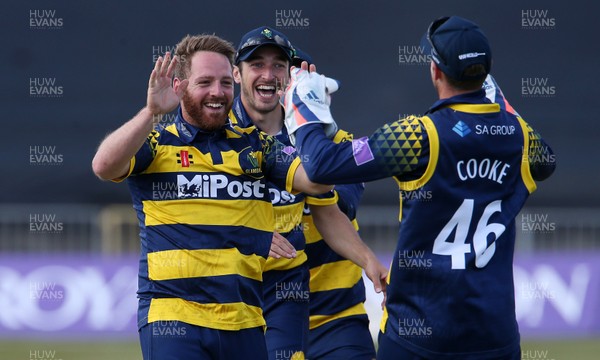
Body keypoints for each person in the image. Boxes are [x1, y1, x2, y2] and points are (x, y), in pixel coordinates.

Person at [283, 16, 556, 359]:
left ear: (435, 71)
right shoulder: (519, 136)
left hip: (417, 334)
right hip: (493, 335)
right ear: (485, 74)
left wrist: (303, 106)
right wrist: (499, 100)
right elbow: (547, 161)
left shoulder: (419, 134)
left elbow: (322, 165)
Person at [91, 33, 332, 360]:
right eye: (204, 82)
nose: (217, 93)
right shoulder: (157, 141)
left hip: (244, 320)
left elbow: (316, 180)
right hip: (173, 317)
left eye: (224, 82)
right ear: (179, 87)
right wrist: (150, 112)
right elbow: (103, 166)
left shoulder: (256, 145)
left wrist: (311, 116)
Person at [229, 26, 386, 360]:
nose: (270, 78)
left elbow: (337, 206)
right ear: (237, 75)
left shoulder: (340, 145)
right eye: (257, 65)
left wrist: (310, 128)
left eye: (284, 72)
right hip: (262, 314)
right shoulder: (227, 142)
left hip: (336, 317)